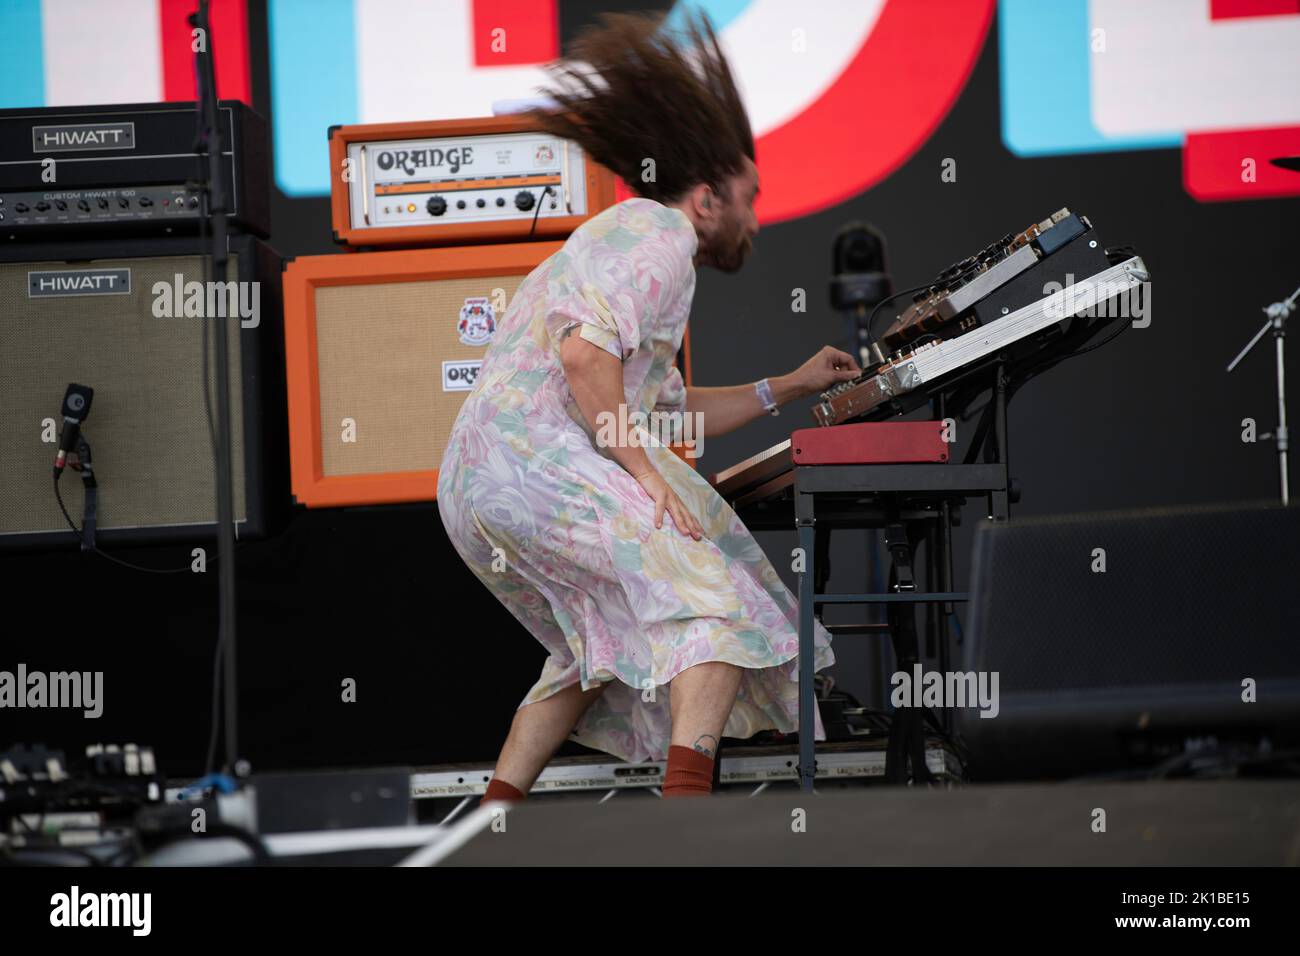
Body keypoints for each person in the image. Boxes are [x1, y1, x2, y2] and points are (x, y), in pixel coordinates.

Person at [436, 11, 861, 803]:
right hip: (533, 460)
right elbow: (584, 356)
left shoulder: (627, 238)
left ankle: (489, 826)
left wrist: (790, 388)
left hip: (474, 482)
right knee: (718, 604)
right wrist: (647, 477)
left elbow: (669, 412)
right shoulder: (658, 237)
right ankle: (682, 826)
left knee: (590, 647)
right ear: (705, 198)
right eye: (749, 199)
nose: (756, 220)